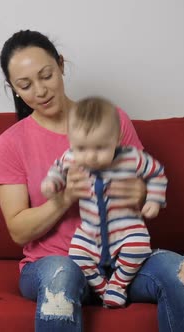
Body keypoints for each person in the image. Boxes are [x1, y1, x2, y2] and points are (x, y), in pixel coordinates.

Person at [0, 30, 184, 331]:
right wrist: (65, 197)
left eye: (46, 75)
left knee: (180, 270)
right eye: (26, 85)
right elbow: (18, 230)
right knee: (61, 273)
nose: (40, 91)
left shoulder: (113, 119)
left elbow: (143, 189)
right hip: (55, 263)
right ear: (14, 89)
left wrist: (139, 193)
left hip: (120, 264)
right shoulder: (11, 143)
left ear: (61, 65)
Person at [40, 96, 167, 308]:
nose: (90, 157)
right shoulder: (72, 157)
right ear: (71, 142)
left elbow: (157, 174)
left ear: (117, 140)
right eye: (81, 148)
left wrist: (154, 199)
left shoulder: (131, 158)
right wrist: (52, 183)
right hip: (90, 232)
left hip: (126, 228)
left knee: (139, 245)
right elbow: (57, 169)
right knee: (77, 254)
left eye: (100, 148)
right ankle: (101, 287)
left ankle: (118, 284)